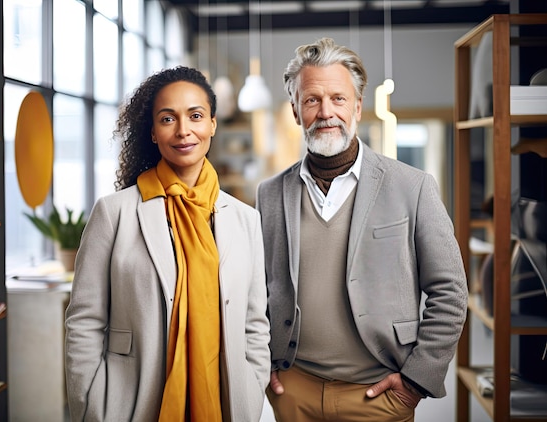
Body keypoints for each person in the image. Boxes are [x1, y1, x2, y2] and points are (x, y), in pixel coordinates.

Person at [256, 37, 468, 422]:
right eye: (311, 100)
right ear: (294, 110)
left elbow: (450, 292)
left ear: (356, 106)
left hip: (379, 393)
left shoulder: (412, 186)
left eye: (338, 98)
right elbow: (257, 291)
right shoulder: (269, 194)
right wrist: (262, 362)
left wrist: (416, 381)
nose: (325, 112)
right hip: (294, 391)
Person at [65, 66, 271, 422]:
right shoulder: (114, 213)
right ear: (153, 132)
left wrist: (252, 386)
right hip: (133, 402)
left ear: (212, 125)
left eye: (195, 116)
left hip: (226, 403)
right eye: (167, 118)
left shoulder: (244, 220)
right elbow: (85, 320)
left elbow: (255, 324)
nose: (183, 130)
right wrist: (92, 406)